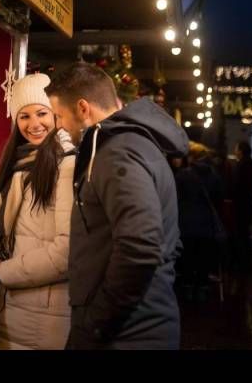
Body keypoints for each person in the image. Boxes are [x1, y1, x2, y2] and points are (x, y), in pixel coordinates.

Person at [45, 63, 188, 350]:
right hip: (137, 325)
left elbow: (140, 245)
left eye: (59, 116)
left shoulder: (117, 152)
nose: (58, 126)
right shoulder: (128, 146)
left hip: (127, 334)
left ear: (83, 108)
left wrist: (95, 324)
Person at [0, 73, 76, 350]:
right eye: (24, 116)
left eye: (41, 113)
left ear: (56, 114)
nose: (34, 124)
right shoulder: (19, 164)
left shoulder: (67, 166)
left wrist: (5, 269)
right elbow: (11, 232)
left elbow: (67, 251)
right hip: (7, 308)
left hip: (43, 317)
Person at [174, 142, 224, 303]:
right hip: (207, 225)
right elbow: (218, 200)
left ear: (191, 157)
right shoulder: (215, 176)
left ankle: (187, 290)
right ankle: (202, 290)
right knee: (204, 258)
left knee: (187, 258)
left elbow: (175, 199)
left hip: (186, 224)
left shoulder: (182, 176)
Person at [231, 141, 252, 275]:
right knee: (245, 235)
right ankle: (247, 263)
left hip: (239, 206)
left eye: (236, 149)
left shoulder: (240, 165)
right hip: (248, 204)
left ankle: (241, 264)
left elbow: (235, 186)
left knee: (239, 235)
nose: (235, 151)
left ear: (241, 151)